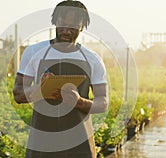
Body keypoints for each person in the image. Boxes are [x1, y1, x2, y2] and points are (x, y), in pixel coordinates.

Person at [13, 1, 108, 158]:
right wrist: (40, 89)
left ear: (82, 26)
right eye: (62, 23)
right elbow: (18, 95)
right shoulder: (34, 52)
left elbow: (103, 102)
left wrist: (79, 102)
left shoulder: (93, 59)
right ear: (54, 21)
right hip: (42, 143)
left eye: (73, 26)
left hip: (80, 144)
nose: (66, 30)